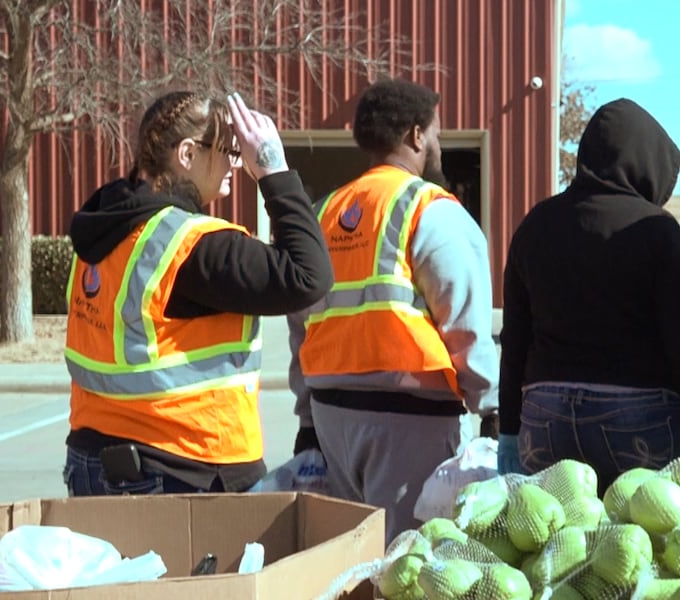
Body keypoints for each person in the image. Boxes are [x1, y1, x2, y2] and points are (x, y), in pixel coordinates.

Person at [64, 91, 333, 496]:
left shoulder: (106, 230)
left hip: (91, 462)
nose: (236, 162)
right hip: (180, 470)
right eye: (227, 149)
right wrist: (274, 170)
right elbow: (310, 275)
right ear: (187, 154)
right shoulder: (193, 245)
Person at [288, 78, 498, 544]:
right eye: (437, 133)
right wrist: (491, 405)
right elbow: (465, 321)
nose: (438, 144)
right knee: (407, 561)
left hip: (331, 417)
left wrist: (306, 421)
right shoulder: (430, 210)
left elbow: (301, 326)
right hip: (408, 419)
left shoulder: (324, 213)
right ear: (416, 135)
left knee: (349, 557)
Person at [497, 98, 680, 495]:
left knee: (555, 544)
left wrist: (508, 430)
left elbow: (515, 338)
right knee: (645, 546)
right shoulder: (656, 230)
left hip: (545, 416)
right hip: (638, 417)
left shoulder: (536, 225)